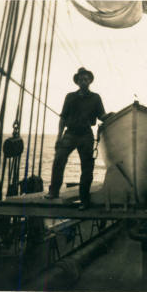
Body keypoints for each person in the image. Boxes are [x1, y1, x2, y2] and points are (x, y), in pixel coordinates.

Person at [44, 67, 113, 209]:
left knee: (87, 167)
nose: (83, 81)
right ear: (77, 81)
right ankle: (54, 191)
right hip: (70, 134)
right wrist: (58, 136)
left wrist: (112, 115)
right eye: (81, 79)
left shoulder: (96, 98)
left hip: (86, 135)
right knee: (58, 160)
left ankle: (84, 200)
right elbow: (63, 118)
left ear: (90, 81)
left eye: (86, 79)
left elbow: (102, 116)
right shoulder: (70, 96)